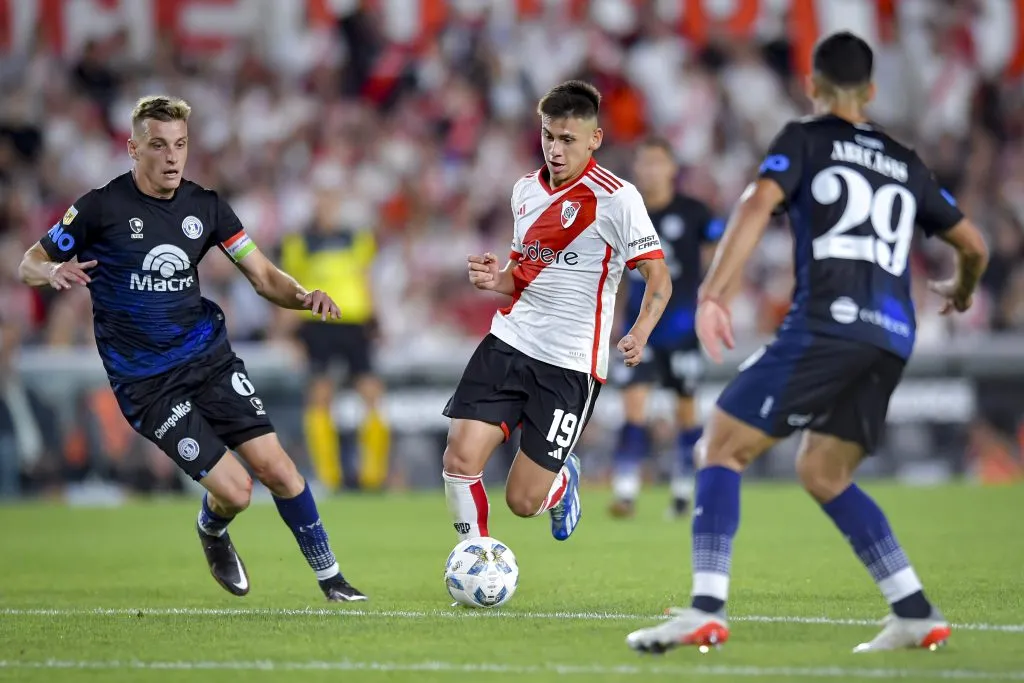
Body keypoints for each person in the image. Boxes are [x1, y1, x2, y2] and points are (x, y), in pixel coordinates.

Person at [625, 32, 987, 653]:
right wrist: (962, 288)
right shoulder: (906, 159)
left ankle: (705, 608)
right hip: (894, 337)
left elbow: (755, 203)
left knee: (719, 445)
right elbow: (973, 246)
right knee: (823, 471)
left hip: (828, 324)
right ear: (871, 92)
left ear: (811, 87)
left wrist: (713, 294)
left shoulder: (805, 139)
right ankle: (915, 609)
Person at [18, 95, 367, 602]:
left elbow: (264, 276)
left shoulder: (206, 207)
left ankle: (333, 580)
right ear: (134, 148)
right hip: (147, 383)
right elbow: (29, 261)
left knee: (278, 467)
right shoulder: (98, 208)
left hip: (208, 359)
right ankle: (213, 529)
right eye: (158, 145)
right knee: (237, 492)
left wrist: (302, 297)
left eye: (180, 144)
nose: (171, 157)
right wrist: (52, 270)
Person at [441, 80, 671, 544]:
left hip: (569, 364)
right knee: (459, 460)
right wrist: (494, 279)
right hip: (511, 340)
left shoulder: (617, 198)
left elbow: (659, 279)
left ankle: (562, 484)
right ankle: (476, 558)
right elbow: (519, 275)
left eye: (567, 139)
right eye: (548, 136)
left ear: (594, 139)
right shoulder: (525, 191)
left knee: (522, 501)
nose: (555, 149)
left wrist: (641, 332)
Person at [608, 137, 723, 520]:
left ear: (673, 168)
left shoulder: (694, 213)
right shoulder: (627, 213)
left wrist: (714, 301)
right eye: (644, 163)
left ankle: (682, 494)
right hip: (641, 326)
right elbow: (619, 275)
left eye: (658, 162)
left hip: (682, 326)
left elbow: (719, 254)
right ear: (636, 169)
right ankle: (625, 492)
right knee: (634, 407)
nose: (651, 170)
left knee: (686, 412)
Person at [280, 194, 389, 493]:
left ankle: (372, 476)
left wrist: (375, 318)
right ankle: (329, 477)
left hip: (354, 321)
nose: (327, 208)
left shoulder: (357, 239)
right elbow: (290, 286)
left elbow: (367, 280)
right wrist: (288, 333)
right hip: (318, 323)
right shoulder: (299, 243)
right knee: (320, 395)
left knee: (372, 393)